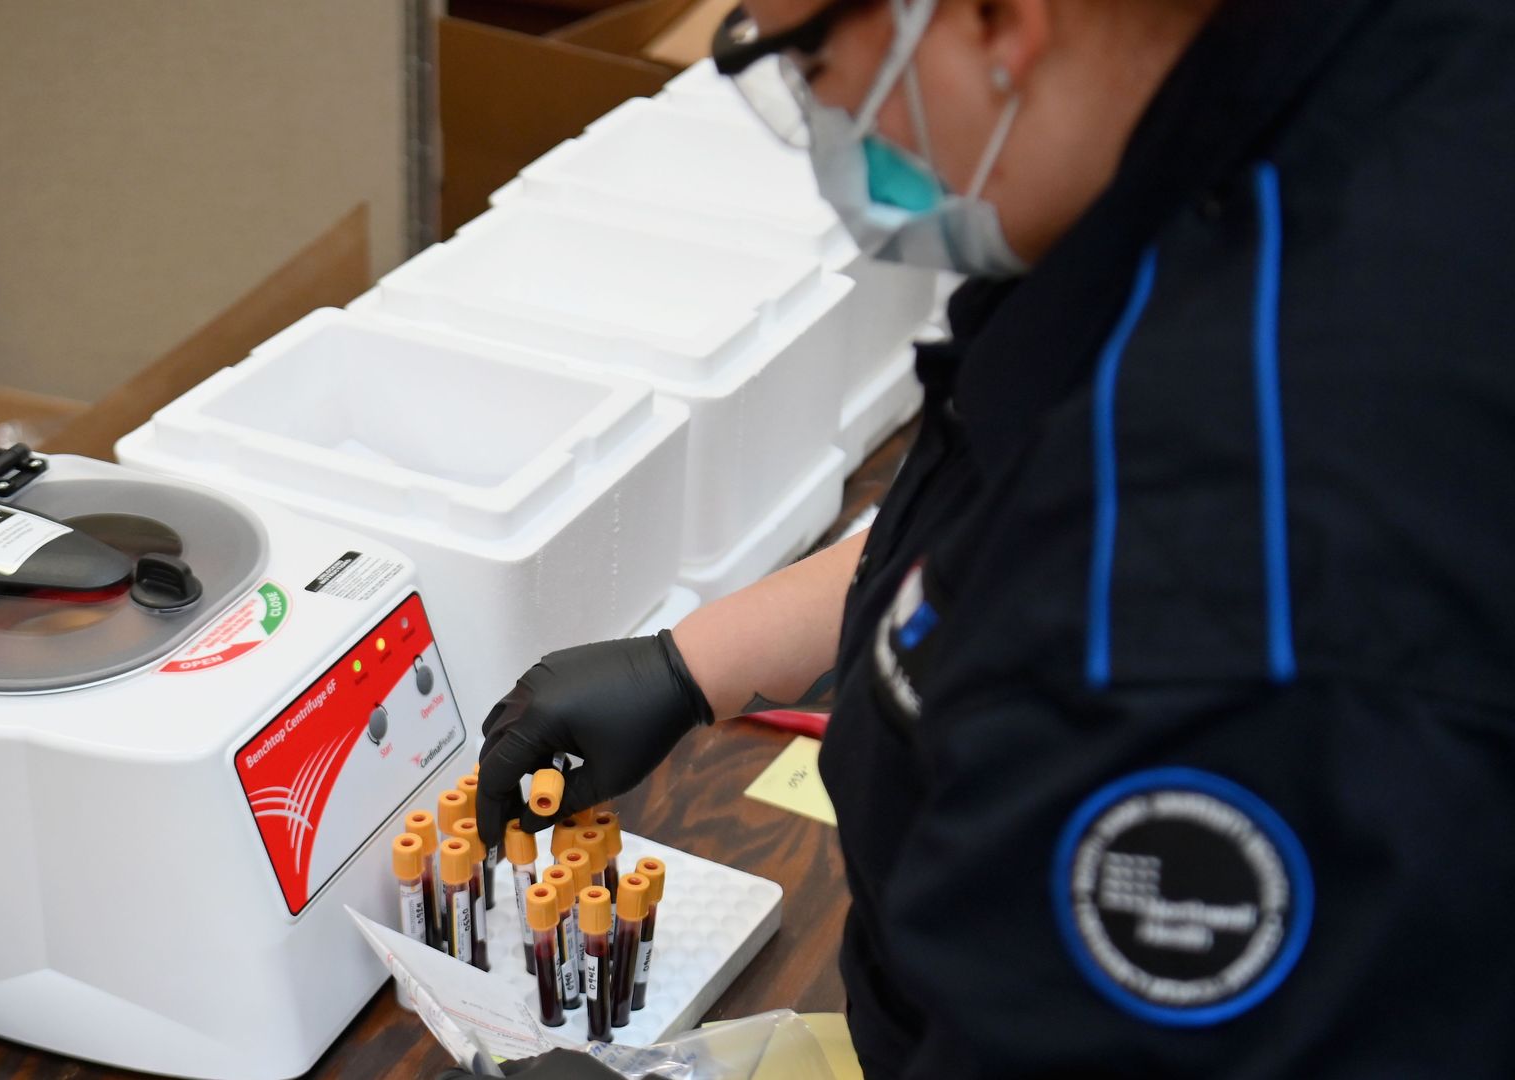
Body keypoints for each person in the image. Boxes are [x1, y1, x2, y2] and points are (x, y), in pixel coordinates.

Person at [452, 0, 1515, 1074]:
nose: (823, 117)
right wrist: (698, 661)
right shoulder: (1314, 106)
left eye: (804, 57)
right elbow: (1006, 499)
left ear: (998, 20)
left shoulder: (1208, 590)